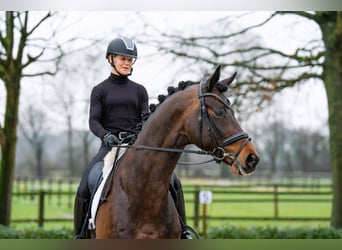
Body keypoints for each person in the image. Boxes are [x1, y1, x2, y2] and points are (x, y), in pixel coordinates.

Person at [73, 36, 191, 239]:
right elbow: (94, 121)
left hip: (136, 147)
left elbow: (145, 121)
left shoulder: (139, 91)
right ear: (111, 59)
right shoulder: (100, 90)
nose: (127, 63)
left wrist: (138, 137)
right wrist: (106, 135)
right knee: (87, 182)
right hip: (109, 148)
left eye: (130, 60)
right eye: (123, 59)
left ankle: (184, 230)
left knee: (173, 180)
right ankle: (81, 234)